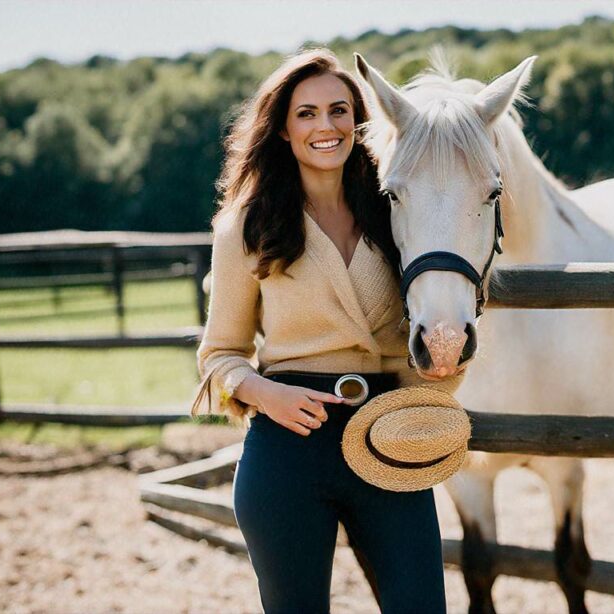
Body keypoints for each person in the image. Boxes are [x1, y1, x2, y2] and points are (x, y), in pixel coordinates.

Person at [192, 48, 459, 614]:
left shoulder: (395, 217)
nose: (325, 126)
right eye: (306, 114)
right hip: (289, 448)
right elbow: (219, 356)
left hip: (390, 438)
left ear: (359, 122)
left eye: (339, 110)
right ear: (283, 131)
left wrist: (440, 366)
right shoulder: (247, 225)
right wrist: (266, 394)